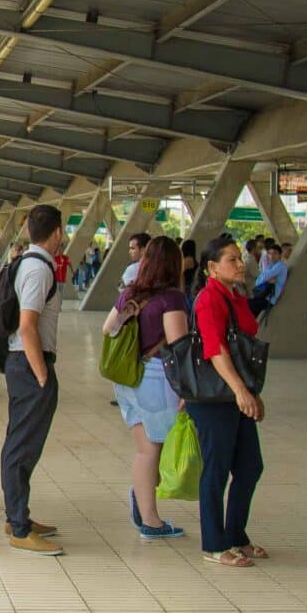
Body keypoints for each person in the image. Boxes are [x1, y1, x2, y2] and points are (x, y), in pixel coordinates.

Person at [186, 234, 266, 566]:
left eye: (239, 258)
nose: (240, 264)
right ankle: (215, 543)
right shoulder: (209, 299)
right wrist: (241, 391)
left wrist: (249, 393)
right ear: (211, 268)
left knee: (249, 466)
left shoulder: (235, 297)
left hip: (236, 392)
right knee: (216, 469)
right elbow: (215, 349)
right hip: (215, 396)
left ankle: (236, 533)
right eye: (231, 260)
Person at [103, 239, 189, 540]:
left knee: (145, 448)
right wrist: (186, 390)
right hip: (155, 376)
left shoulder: (131, 294)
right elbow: (180, 345)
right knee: (154, 448)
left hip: (126, 376)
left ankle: (144, 503)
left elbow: (108, 328)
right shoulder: (171, 299)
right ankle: (149, 518)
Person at [3, 204, 67, 555]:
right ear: (57, 232)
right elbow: (27, 326)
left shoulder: (28, 263)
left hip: (24, 363)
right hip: (29, 364)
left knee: (22, 443)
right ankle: (19, 527)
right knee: (22, 447)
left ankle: (18, 515)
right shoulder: (39, 269)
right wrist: (42, 373)